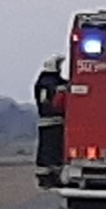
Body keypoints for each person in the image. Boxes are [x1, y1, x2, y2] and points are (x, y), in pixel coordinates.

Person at [34, 55, 67, 187]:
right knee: (51, 150)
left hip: (48, 121)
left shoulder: (43, 82)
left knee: (48, 150)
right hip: (53, 121)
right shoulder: (50, 83)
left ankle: (48, 177)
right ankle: (48, 178)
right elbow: (51, 102)